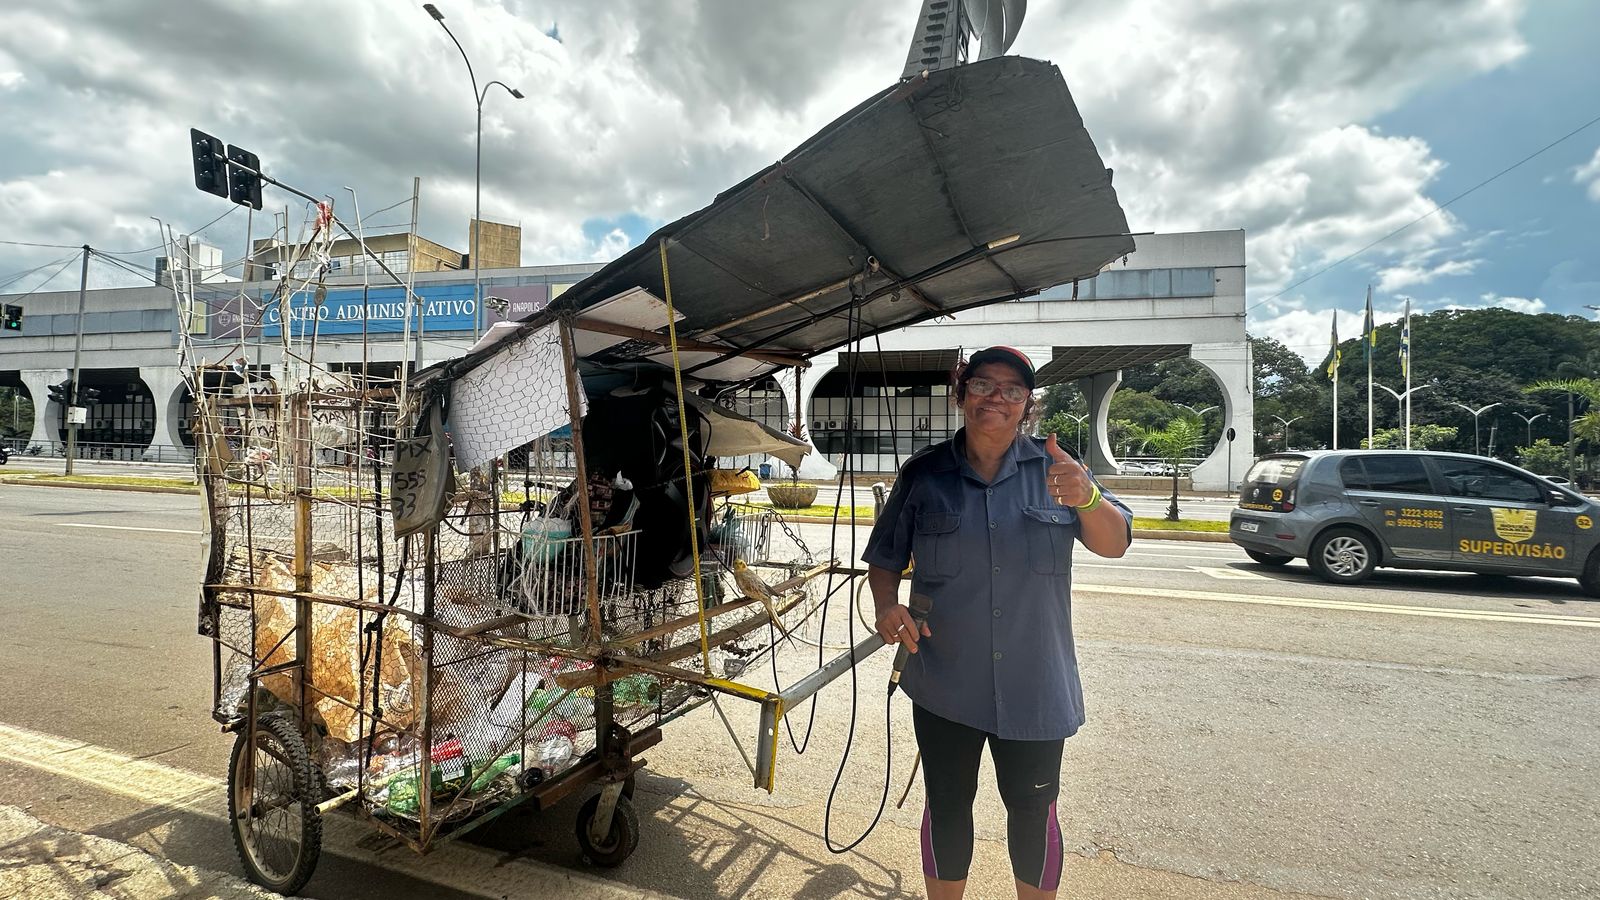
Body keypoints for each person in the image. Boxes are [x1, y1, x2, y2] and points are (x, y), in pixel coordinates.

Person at [863, 346, 1132, 900]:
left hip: (1035, 687)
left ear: (1027, 407)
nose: (997, 399)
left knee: (1034, 813)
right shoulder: (924, 475)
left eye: (1013, 391)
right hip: (943, 683)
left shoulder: (1061, 472)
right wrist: (887, 606)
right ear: (962, 394)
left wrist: (1089, 496)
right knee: (947, 806)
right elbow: (885, 559)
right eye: (984, 385)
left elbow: (1115, 543)